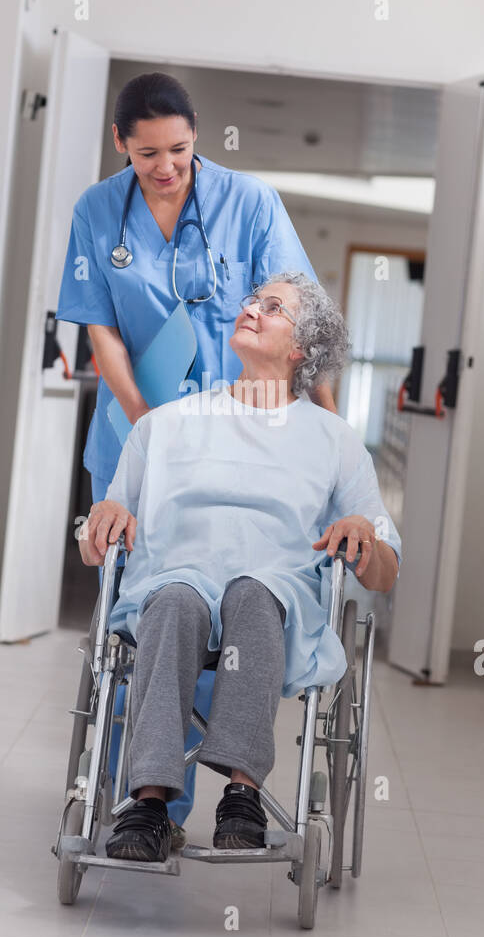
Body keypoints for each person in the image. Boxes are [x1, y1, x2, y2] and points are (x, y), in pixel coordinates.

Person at [56, 72, 335, 843]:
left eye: (179, 149)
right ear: (122, 145)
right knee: (153, 608)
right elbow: (100, 330)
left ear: (197, 136)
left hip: (244, 443)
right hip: (140, 441)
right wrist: (155, 427)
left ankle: (220, 786)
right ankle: (146, 804)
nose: (167, 166)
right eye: (148, 154)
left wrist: (326, 428)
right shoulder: (96, 211)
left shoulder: (250, 204)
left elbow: (294, 314)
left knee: (234, 596)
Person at [78, 273, 402, 862]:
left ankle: (242, 796)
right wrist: (102, 518)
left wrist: (363, 535)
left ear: (302, 347)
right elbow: (96, 545)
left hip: (274, 601)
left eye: (272, 307)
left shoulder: (334, 442)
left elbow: (383, 572)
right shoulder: (165, 426)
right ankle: (148, 805)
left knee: (254, 596)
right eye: (252, 300)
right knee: (176, 599)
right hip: (175, 585)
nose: (251, 308)